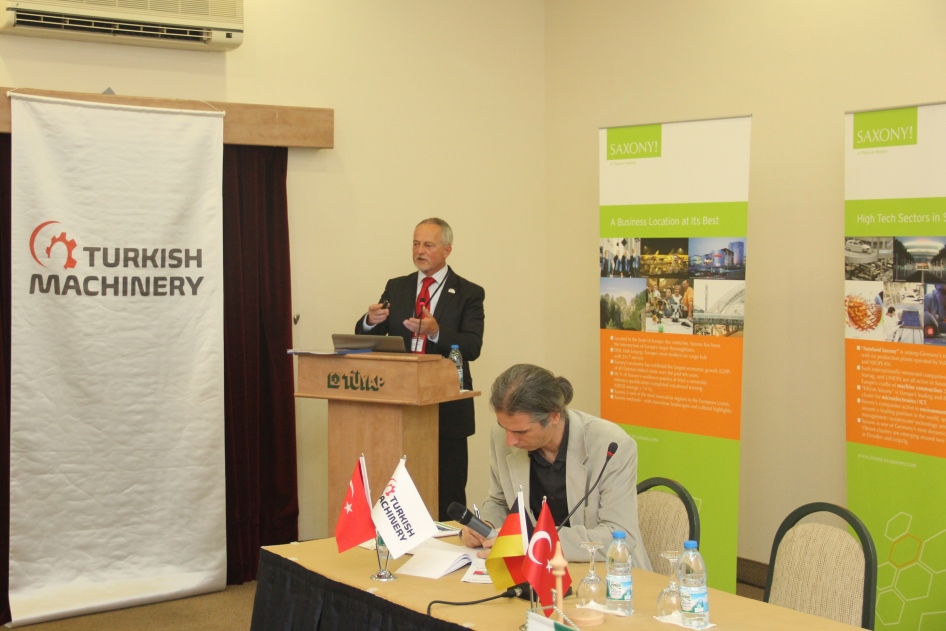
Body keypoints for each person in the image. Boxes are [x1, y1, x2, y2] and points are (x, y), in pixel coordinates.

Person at [356, 218, 485, 519]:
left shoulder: (468, 293)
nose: (419, 251)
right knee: (401, 494)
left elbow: (472, 346)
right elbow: (369, 339)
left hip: (447, 409)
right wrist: (370, 321)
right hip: (399, 408)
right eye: (415, 244)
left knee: (447, 494)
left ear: (447, 250)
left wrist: (436, 332)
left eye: (428, 244)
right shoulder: (396, 287)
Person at [459, 364, 651, 567]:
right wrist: (485, 525)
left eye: (521, 432)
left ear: (554, 416)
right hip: (537, 568)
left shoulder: (611, 445)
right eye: (503, 427)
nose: (510, 441)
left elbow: (619, 535)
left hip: (606, 571)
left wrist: (536, 542)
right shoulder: (502, 435)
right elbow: (500, 502)